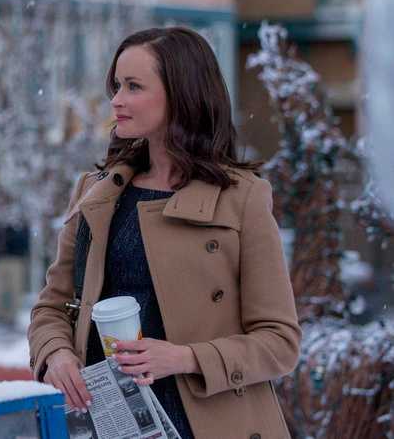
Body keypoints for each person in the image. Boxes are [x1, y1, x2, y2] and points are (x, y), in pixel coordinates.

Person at [28, 27, 301, 438]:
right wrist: (56, 354)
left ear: (181, 95)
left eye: (134, 86)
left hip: (211, 423)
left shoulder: (242, 198)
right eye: (117, 85)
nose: (117, 100)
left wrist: (185, 358)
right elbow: (52, 307)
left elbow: (280, 342)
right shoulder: (96, 193)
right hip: (112, 423)